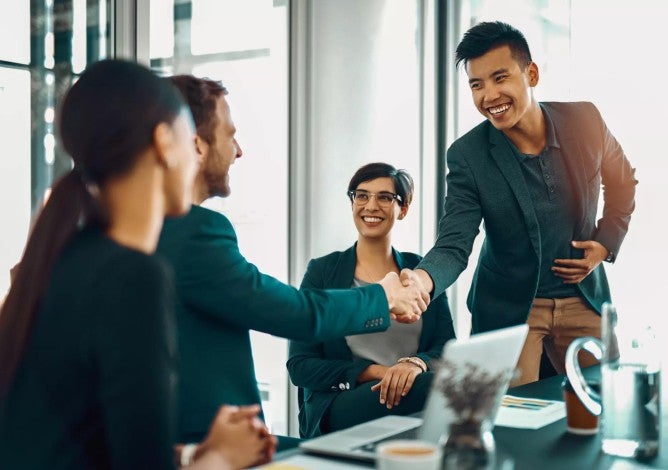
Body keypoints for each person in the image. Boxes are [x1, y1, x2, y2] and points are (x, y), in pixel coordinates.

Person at [0, 59, 274, 469]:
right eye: (190, 142)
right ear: (165, 143)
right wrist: (219, 458)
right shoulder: (133, 276)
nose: (196, 157)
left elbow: (92, 442)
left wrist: (195, 452)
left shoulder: (67, 257)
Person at [156, 76, 428, 447]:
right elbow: (295, 314)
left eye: (385, 198)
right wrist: (383, 297)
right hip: (206, 447)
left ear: (403, 208)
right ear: (197, 145)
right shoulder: (194, 232)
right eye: (229, 135)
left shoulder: (157, 230)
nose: (238, 151)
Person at [402, 21, 637, 385]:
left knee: (605, 407)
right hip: (512, 309)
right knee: (514, 418)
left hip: (583, 297)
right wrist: (422, 280)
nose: (489, 96)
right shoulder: (468, 155)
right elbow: (454, 241)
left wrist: (605, 244)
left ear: (531, 73)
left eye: (500, 78)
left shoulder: (584, 120)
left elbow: (622, 182)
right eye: (476, 85)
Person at [287, 163, 456, 438]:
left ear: (403, 208)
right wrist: (377, 372)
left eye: (385, 197)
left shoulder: (420, 273)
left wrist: (413, 364)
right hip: (343, 401)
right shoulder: (322, 271)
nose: (371, 205)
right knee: (447, 388)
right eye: (361, 195)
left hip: (415, 389)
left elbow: (446, 347)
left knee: (444, 385)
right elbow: (300, 366)